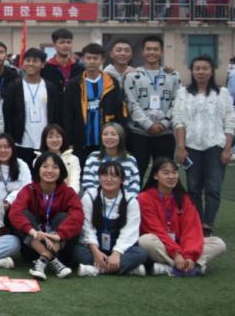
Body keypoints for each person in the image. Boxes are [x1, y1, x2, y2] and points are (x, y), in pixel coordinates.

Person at [173, 55, 235, 236]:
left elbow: (230, 121)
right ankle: (197, 222)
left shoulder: (222, 93)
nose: (201, 72)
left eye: (205, 68)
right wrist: (181, 147)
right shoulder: (183, 93)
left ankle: (208, 223)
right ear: (192, 71)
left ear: (212, 71)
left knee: (213, 188)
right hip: (191, 147)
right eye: (197, 68)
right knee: (194, 188)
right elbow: (179, 121)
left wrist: (227, 148)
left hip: (215, 146)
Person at [138, 157, 227, 276]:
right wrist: (176, 254)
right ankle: (191, 267)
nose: (171, 176)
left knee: (218, 243)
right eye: (166, 173)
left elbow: (192, 230)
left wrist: (189, 255)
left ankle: (176, 266)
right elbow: (155, 230)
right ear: (155, 176)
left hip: (182, 245)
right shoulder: (144, 198)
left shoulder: (184, 199)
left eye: (174, 172)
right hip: (162, 243)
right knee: (145, 241)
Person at [8, 152, 83, 280]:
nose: (50, 170)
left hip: (61, 248)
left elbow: (78, 216)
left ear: (61, 171)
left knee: (65, 217)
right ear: (38, 169)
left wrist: (57, 235)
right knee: (22, 216)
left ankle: (43, 260)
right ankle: (52, 260)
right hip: (32, 248)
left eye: (55, 167)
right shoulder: (29, 189)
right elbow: (15, 213)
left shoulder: (68, 192)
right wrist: (34, 233)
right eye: (45, 166)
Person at [75, 161, 149, 277]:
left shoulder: (131, 201)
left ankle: (96, 270)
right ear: (99, 178)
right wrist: (96, 253)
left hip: (120, 248)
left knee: (140, 253)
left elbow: (129, 232)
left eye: (114, 176)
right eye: (104, 175)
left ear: (122, 180)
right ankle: (127, 269)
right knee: (77, 251)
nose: (109, 179)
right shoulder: (89, 197)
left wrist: (116, 254)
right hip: (96, 247)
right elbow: (87, 228)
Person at [123, 35, 180, 177]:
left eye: (155, 49)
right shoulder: (132, 76)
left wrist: (164, 123)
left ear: (162, 52)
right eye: (148, 49)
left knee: (164, 175)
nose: (152, 52)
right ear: (142, 52)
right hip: (138, 134)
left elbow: (177, 102)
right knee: (136, 174)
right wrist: (148, 124)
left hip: (165, 134)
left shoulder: (173, 76)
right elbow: (131, 103)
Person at [63, 43, 127, 166]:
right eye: (88, 58)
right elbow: (67, 115)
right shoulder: (73, 84)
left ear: (102, 60)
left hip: (106, 141)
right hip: (81, 141)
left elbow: (119, 111)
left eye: (95, 58)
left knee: (107, 171)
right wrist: (69, 140)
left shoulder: (111, 82)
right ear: (83, 59)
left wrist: (119, 136)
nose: (92, 61)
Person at [3, 48, 61, 164]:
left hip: (45, 142)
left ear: (42, 64)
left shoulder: (50, 87)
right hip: (21, 142)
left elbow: (56, 114)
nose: (30, 64)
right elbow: (7, 114)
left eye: (35, 61)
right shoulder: (14, 86)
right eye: (28, 60)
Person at [79, 122, 141, 196]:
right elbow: (87, 183)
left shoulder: (130, 160)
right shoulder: (93, 157)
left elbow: (134, 186)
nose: (109, 137)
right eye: (105, 134)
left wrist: (124, 200)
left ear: (121, 137)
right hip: (96, 200)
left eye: (113, 134)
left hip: (124, 201)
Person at [0, 133, 32, 206]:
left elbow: (27, 187)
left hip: (18, 204)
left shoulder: (21, 165)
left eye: (6, 147)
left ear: (13, 148)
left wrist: (9, 201)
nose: (2, 150)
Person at [38, 124, 82, 192]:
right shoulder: (38, 159)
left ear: (63, 139)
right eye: (50, 137)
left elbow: (74, 183)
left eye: (58, 137)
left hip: (67, 195)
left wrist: (68, 196)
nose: (54, 140)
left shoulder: (73, 159)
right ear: (44, 140)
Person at [41, 28, 83, 94]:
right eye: (62, 42)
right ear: (54, 45)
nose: (66, 45)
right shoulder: (45, 68)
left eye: (68, 42)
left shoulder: (80, 68)